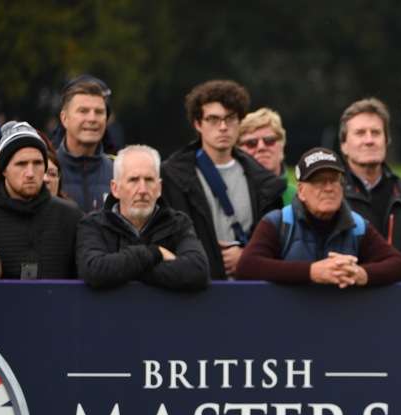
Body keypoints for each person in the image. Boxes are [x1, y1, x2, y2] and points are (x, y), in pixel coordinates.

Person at [161, 80, 285, 280]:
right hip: (195, 287)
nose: (223, 127)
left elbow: (276, 243)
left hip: (250, 288)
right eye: (213, 119)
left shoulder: (264, 181)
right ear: (198, 124)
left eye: (230, 118)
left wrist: (247, 257)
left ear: (239, 122)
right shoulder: (172, 176)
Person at [236, 147, 401, 287]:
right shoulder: (277, 222)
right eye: (319, 181)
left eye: (334, 180)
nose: (329, 188)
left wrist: (361, 274)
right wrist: (312, 272)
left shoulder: (358, 226)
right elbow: (247, 267)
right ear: (301, 191)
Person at [76, 145, 210, 290]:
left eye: (149, 180)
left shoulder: (178, 224)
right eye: (133, 180)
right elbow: (94, 271)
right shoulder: (94, 225)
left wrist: (124, 270)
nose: (142, 190)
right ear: (115, 188)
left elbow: (197, 271)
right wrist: (155, 253)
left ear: (159, 188)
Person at [0, 121, 80, 279]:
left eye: (37, 163)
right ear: (3, 169)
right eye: (21, 164)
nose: (30, 172)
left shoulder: (70, 216)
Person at [338, 97, 401, 273]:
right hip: (348, 295)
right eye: (360, 133)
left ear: (386, 141)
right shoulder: (331, 194)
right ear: (344, 145)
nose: (369, 140)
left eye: (375, 133)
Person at [55, 75, 114, 212]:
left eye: (99, 112)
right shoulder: (44, 170)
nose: (92, 118)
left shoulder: (120, 172)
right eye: (83, 111)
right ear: (64, 118)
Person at [238, 108, 296, 207]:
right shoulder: (230, 197)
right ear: (238, 150)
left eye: (269, 140)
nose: (261, 147)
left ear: (282, 145)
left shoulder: (301, 199)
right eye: (251, 143)